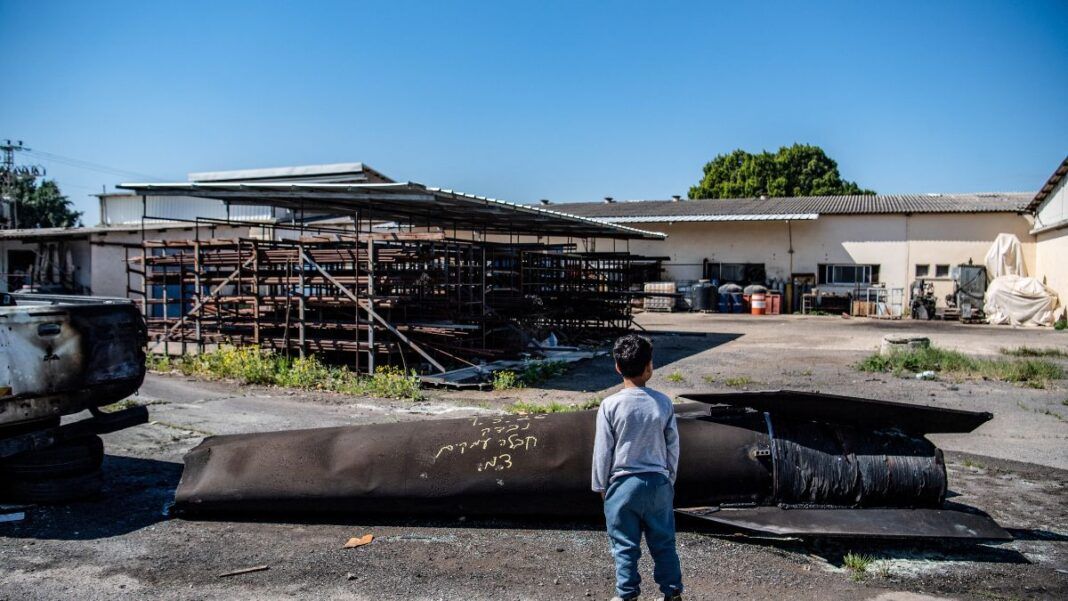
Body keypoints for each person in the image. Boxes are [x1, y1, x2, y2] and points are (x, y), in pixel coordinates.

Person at [592, 334, 683, 601]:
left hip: (621, 485)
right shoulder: (664, 402)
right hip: (657, 482)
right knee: (664, 543)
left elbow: (602, 449)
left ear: (617, 367)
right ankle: (672, 592)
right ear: (649, 367)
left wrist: (600, 486)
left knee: (624, 545)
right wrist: (669, 479)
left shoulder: (609, 405)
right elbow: (672, 447)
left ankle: (627, 594)